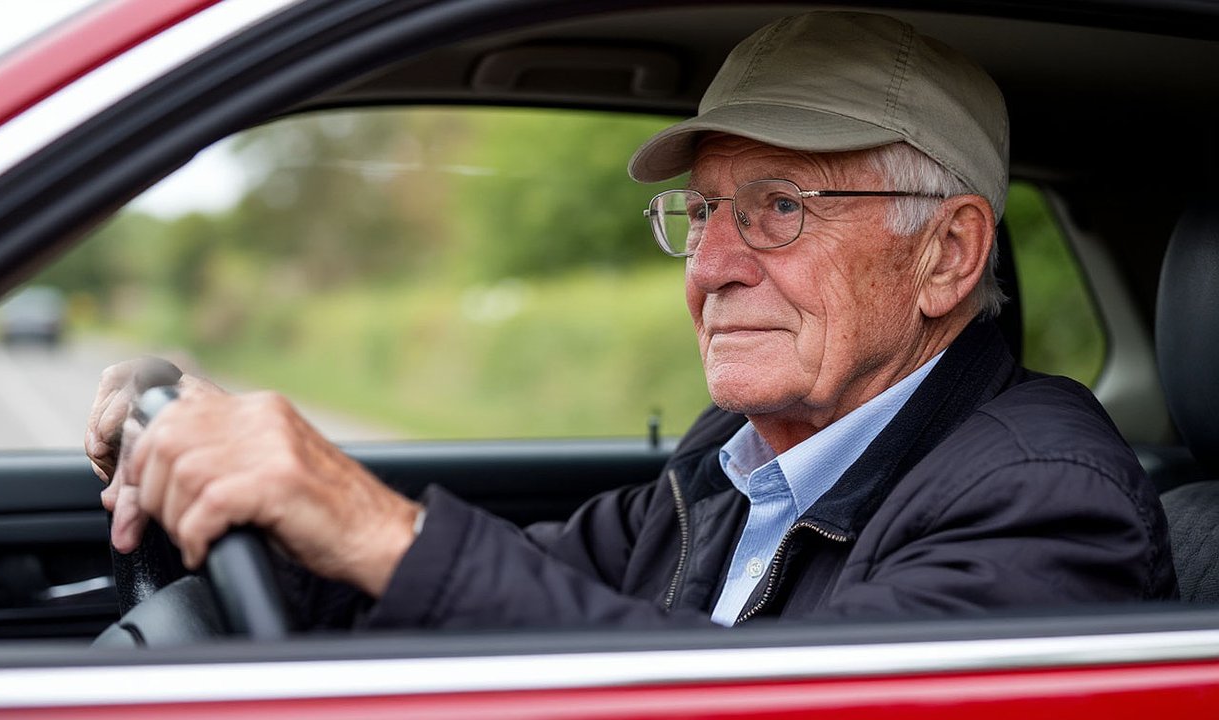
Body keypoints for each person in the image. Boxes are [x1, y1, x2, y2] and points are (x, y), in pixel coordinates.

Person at [87, 12, 1177, 630]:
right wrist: (248, 491)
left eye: (779, 210)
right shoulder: (738, 464)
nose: (706, 266)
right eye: (703, 211)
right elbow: (533, 585)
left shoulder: (1046, 501)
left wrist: (376, 528)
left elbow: (787, 707)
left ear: (944, 256)